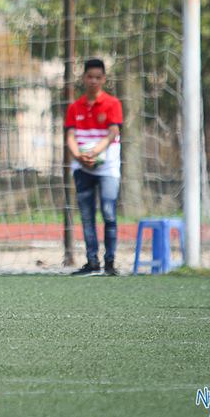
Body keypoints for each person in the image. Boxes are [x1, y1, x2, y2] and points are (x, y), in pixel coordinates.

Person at [64, 58, 123, 276]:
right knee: (87, 216)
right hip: (82, 168)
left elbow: (113, 132)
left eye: (98, 77)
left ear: (104, 79)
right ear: (84, 78)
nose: (93, 81)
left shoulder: (112, 104)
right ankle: (92, 262)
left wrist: (95, 152)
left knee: (109, 213)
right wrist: (79, 156)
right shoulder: (75, 107)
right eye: (90, 77)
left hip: (107, 168)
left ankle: (110, 262)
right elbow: (70, 136)